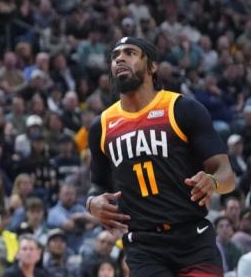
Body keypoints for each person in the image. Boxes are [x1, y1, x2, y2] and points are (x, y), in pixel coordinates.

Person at [87, 36, 236, 277]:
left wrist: (213, 181)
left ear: (152, 66)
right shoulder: (101, 126)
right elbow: (97, 184)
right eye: (115, 56)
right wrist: (91, 203)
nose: (120, 59)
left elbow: (226, 173)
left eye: (130, 53)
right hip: (143, 246)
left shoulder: (182, 109)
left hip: (192, 237)